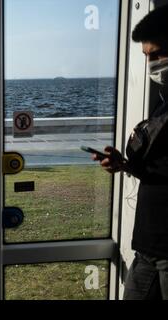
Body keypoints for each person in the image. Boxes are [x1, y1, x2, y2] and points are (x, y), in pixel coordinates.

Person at [93, 5, 168, 300]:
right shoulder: (164, 104)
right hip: (149, 245)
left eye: (156, 54)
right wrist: (125, 165)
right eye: (146, 56)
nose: (151, 64)